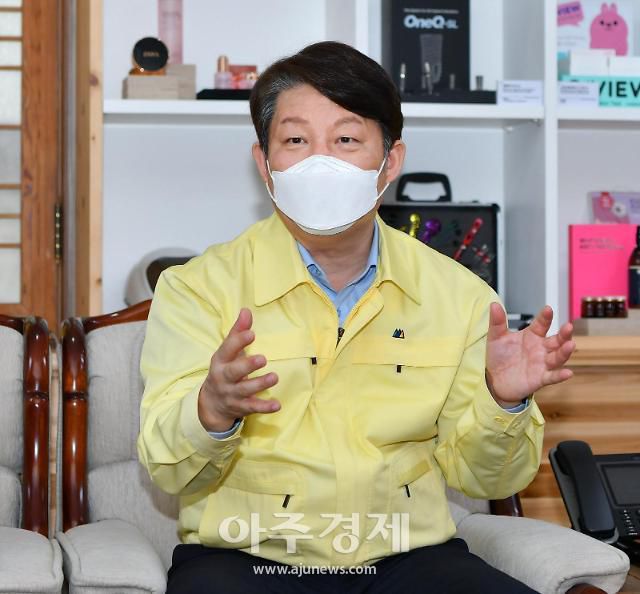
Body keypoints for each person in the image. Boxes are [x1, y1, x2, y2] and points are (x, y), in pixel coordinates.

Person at [138, 41, 575, 594]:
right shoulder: (198, 289)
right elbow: (168, 470)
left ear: (390, 160)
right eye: (295, 141)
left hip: (406, 558)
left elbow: (488, 478)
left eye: (346, 140)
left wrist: (501, 401)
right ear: (264, 164)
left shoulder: (460, 295)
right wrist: (212, 410)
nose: (320, 162)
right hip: (247, 558)